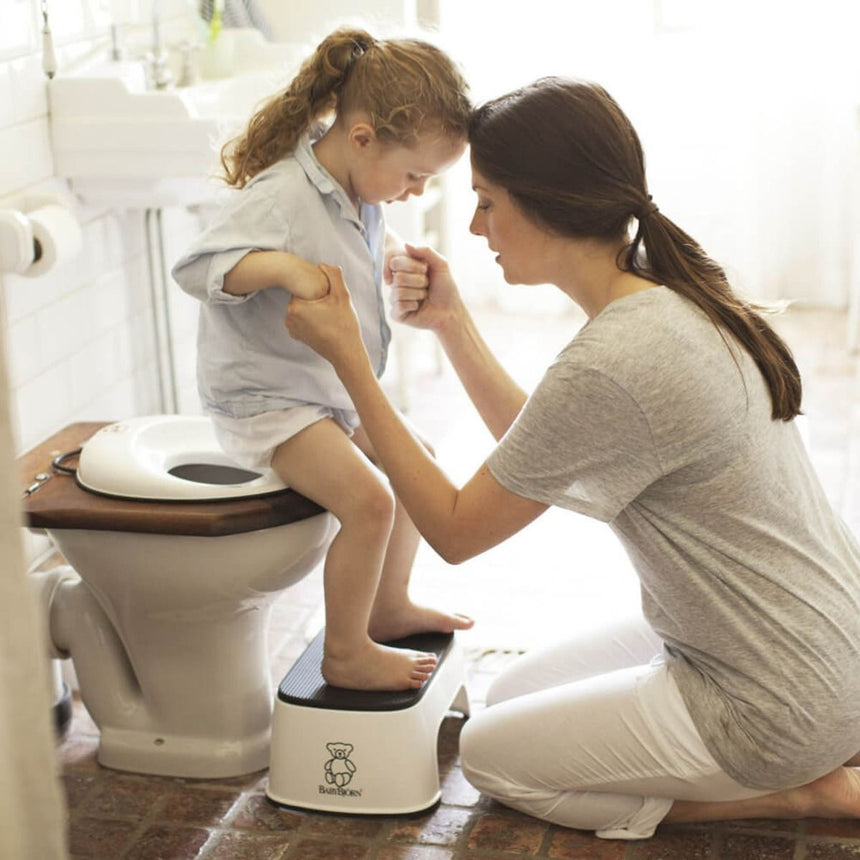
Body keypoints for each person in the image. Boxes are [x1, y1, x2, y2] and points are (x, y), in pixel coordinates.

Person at [284, 76, 860, 838]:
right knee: (514, 695)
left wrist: (353, 365)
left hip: (772, 699)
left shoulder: (617, 359)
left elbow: (455, 532)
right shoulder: (667, 297)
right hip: (807, 644)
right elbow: (547, 445)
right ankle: (808, 754)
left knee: (494, 758)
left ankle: (808, 793)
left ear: (545, 203)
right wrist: (453, 324)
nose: (480, 228)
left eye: (487, 201)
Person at [172, 27, 474, 692]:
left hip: (320, 391)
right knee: (370, 502)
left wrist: (393, 261)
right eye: (414, 174)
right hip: (267, 400)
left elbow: (357, 241)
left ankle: (388, 606)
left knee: (412, 460)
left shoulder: (357, 191)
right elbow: (195, 268)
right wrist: (283, 269)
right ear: (362, 138)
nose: (418, 190)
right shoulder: (282, 195)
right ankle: (345, 651)